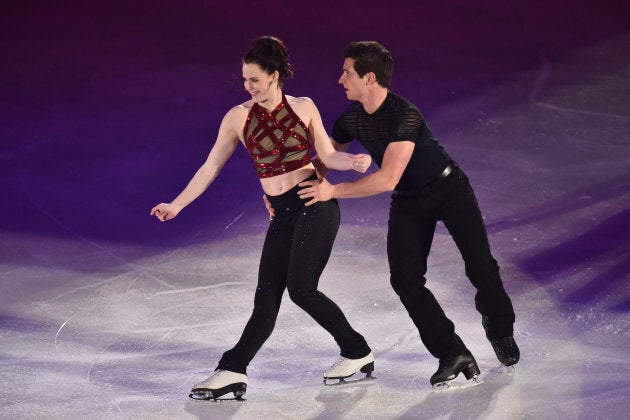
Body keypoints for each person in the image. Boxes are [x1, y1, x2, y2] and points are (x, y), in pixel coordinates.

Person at [150, 36, 374, 401]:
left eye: (254, 79)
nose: (248, 86)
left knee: (301, 289)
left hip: (314, 204)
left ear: (274, 75)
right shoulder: (238, 117)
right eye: (244, 80)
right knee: (266, 297)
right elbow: (211, 167)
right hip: (282, 213)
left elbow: (328, 155)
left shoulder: (304, 107)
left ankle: (356, 351)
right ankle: (233, 369)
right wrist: (177, 204)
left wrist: (351, 162)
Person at [295, 41, 519, 388]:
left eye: (347, 72)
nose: (340, 79)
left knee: (480, 268)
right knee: (405, 279)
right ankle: (452, 352)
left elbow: (387, 178)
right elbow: (325, 159)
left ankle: (499, 325)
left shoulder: (405, 116)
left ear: (369, 78)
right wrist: (286, 190)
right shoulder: (350, 119)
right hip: (409, 202)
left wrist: (334, 191)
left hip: (449, 190)